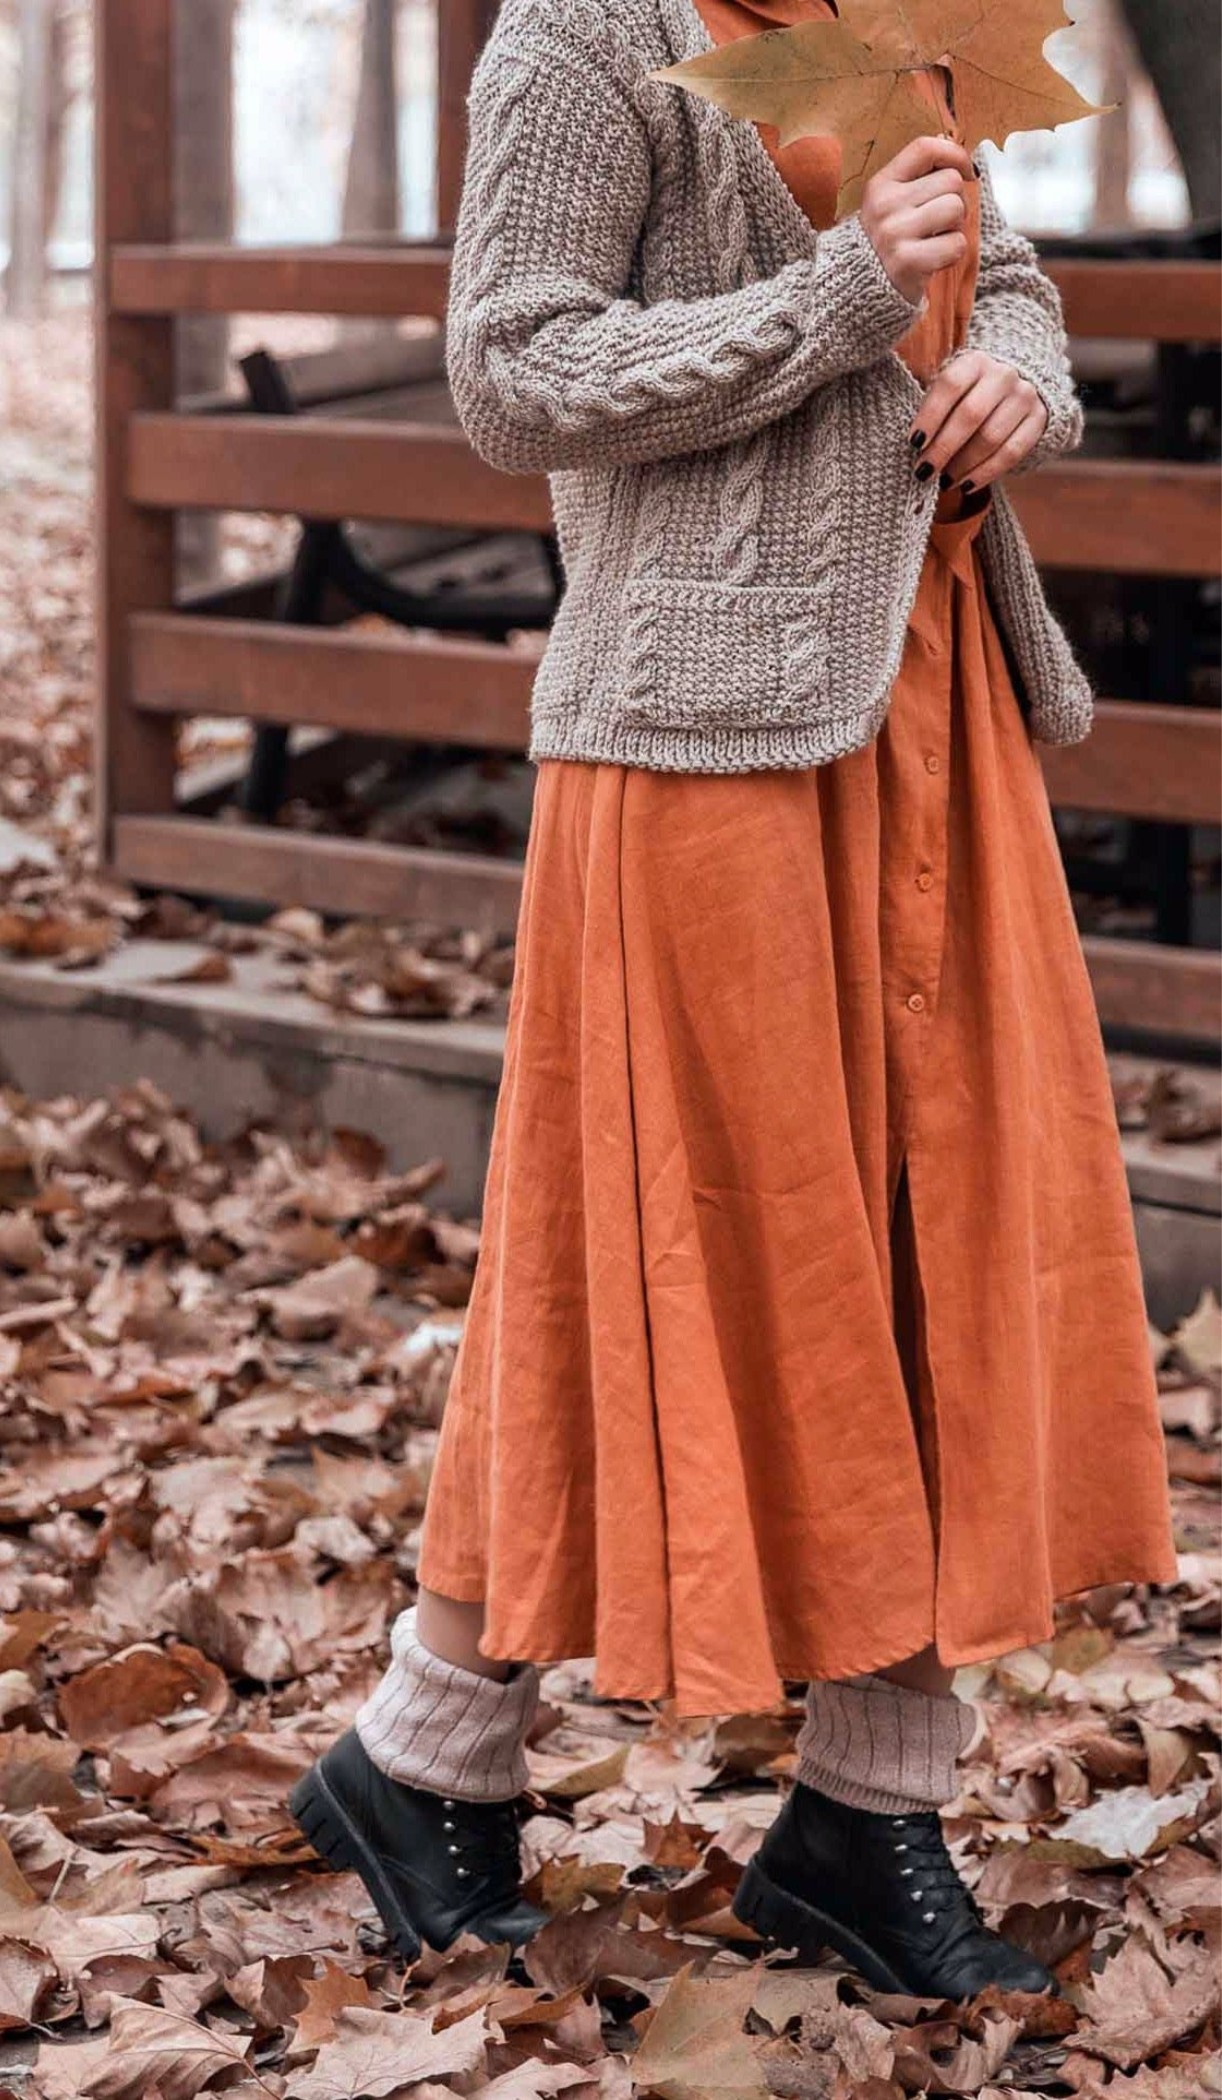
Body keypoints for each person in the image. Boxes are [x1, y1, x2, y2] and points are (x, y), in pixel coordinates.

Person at [291, 0, 1177, 1999]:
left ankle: (869, 1805)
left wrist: (1016, 373)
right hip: (698, 744)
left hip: (931, 714)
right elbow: (511, 377)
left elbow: (1000, 271)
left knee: (934, 1236)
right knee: (670, 1242)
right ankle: (431, 1747)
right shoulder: (588, 34)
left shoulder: (887, 19)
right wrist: (835, 302)